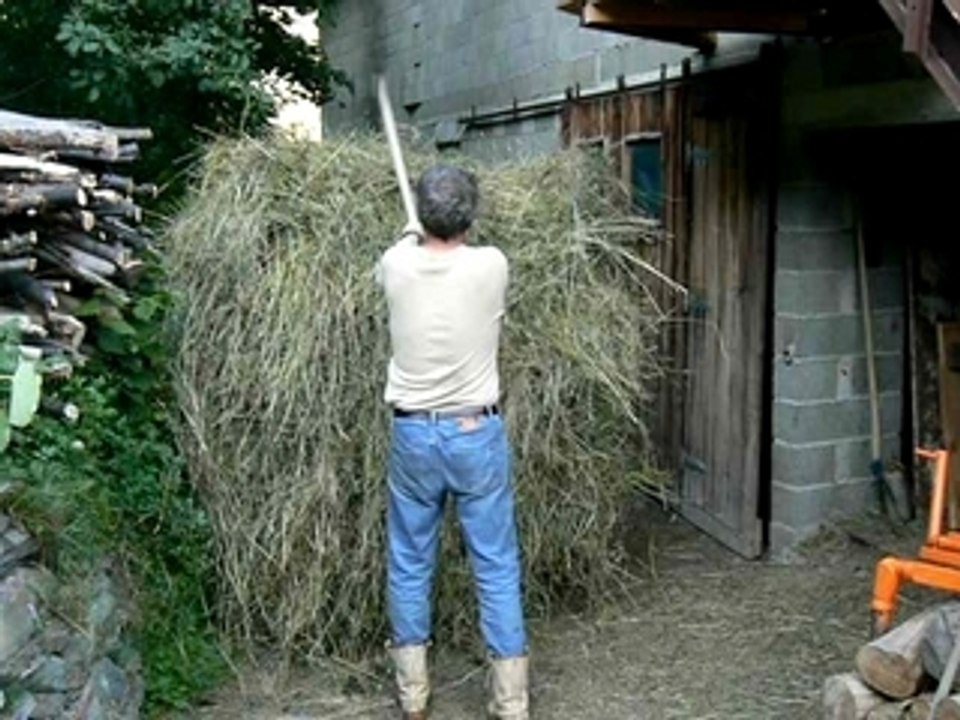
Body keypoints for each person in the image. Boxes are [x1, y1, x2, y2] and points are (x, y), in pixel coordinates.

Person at [376, 165, 529, 720]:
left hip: (414, 433)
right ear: (473, 214)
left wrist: (410, 231)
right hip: (475, 432)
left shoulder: (394, 264)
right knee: (494, 563)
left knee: (411, 560)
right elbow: (448, 250)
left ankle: (413, 697)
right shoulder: (492, 266)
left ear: (420, 214)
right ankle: (511, 704)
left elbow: (404, 252)